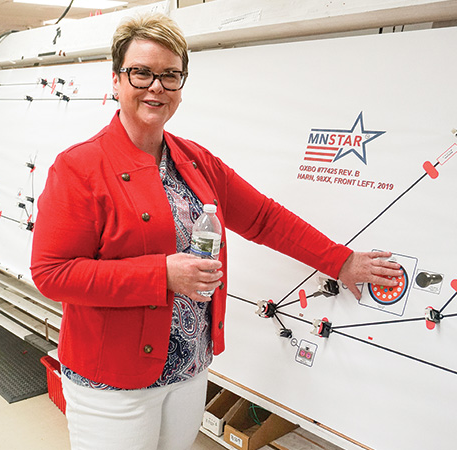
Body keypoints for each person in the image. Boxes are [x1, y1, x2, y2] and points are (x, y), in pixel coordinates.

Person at [30, 12, 401, 450]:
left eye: (170, 76)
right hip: (113, 383)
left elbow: (264, 218)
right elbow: (52, 274)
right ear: (116, 81)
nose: (156, 87)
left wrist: (341, 261)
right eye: (141, 73)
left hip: (189, 368)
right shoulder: (80, 168)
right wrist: (161, 274)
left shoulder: (195, 161)